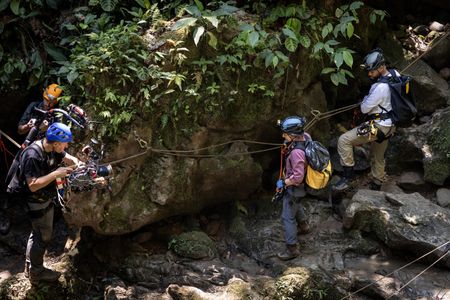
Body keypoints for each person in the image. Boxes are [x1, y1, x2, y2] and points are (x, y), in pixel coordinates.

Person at [20, 122, 79, 283]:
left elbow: (68, 158)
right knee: (43, 236)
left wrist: (77, 164)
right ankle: (37, 273)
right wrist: (56, 174)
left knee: (37, 233)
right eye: (65, 143)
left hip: (44, 196)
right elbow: (32, 185)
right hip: (34, 200)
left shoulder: (52, 148)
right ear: (56, 143)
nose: (66, 146)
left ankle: (30, 266)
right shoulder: (33, 155)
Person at [333, 48, 396, 191]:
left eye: (372, 71)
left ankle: (348, 177)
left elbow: (364, 109)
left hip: (379, 126)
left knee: (344, 140)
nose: (369, 74)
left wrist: (366, 99)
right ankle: (377, 183)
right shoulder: (395, 74)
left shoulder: (380, 87)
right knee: (378, 155)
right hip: (391, 125)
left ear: (381, 67)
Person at [276, 116, 311, 261]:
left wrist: (284, 183)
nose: (283, 136)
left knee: (287, 217)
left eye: (285, 133)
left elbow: (297, 177)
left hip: (296, 187)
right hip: (301, 189)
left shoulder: (297, 153)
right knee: (296, 205)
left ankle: (292, 248)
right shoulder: (306, 137)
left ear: (293, 135)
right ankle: (304, 226)